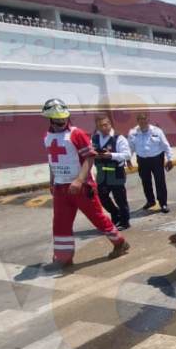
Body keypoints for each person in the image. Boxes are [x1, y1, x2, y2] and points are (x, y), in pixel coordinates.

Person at [41, 99, 129, 269]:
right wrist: (52, 181)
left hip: (81, 186)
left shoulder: (77, 134)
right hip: (61, 186)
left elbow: (90, 157)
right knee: (60, 223)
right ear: (49, 119)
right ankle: (64, 258)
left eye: (63, 119)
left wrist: (79, 180)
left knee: (97, 218)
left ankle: (120, 243)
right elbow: (52, 161)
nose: (61, 123)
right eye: (57, 120)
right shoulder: (47, 136)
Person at [92, 115, 133, 230]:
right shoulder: (94, 138)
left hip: (116, 172)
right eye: (100, 126)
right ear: (97, 126)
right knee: (102, 197)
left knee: (120, 198)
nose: (103, 128)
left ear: (110, 124)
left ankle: (125, 221)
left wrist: (111, 155)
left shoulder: (118, 138)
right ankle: (115, 214)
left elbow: (127, 154)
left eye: (105, 125)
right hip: (101, 172)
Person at [128, 113, 173, 213]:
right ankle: (150, 201)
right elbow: (130, 148)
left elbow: (166, 145)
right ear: (137, 121)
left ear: (148, 120)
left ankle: (163, 203)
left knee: (160, 181)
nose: (142, 121)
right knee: (145, 181)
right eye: (140, 119)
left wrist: (170, 159)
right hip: (142, 160)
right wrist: (128, 159)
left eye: (144, 119)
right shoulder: (133, 133)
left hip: (156, 158)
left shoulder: (157, 131)